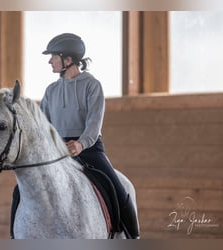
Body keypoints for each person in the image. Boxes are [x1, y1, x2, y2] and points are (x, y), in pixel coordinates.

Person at [10, 33, 139, 239]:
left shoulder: (92, 86)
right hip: (57, 150)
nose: (50, 61)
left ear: (68, 60)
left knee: (117, 188)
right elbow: (44, 126)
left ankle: (133, 236)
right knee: (19, 190)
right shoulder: (51, 90)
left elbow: (94, 124)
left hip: (88, 148)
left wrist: (80, 144)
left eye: (53, 57)